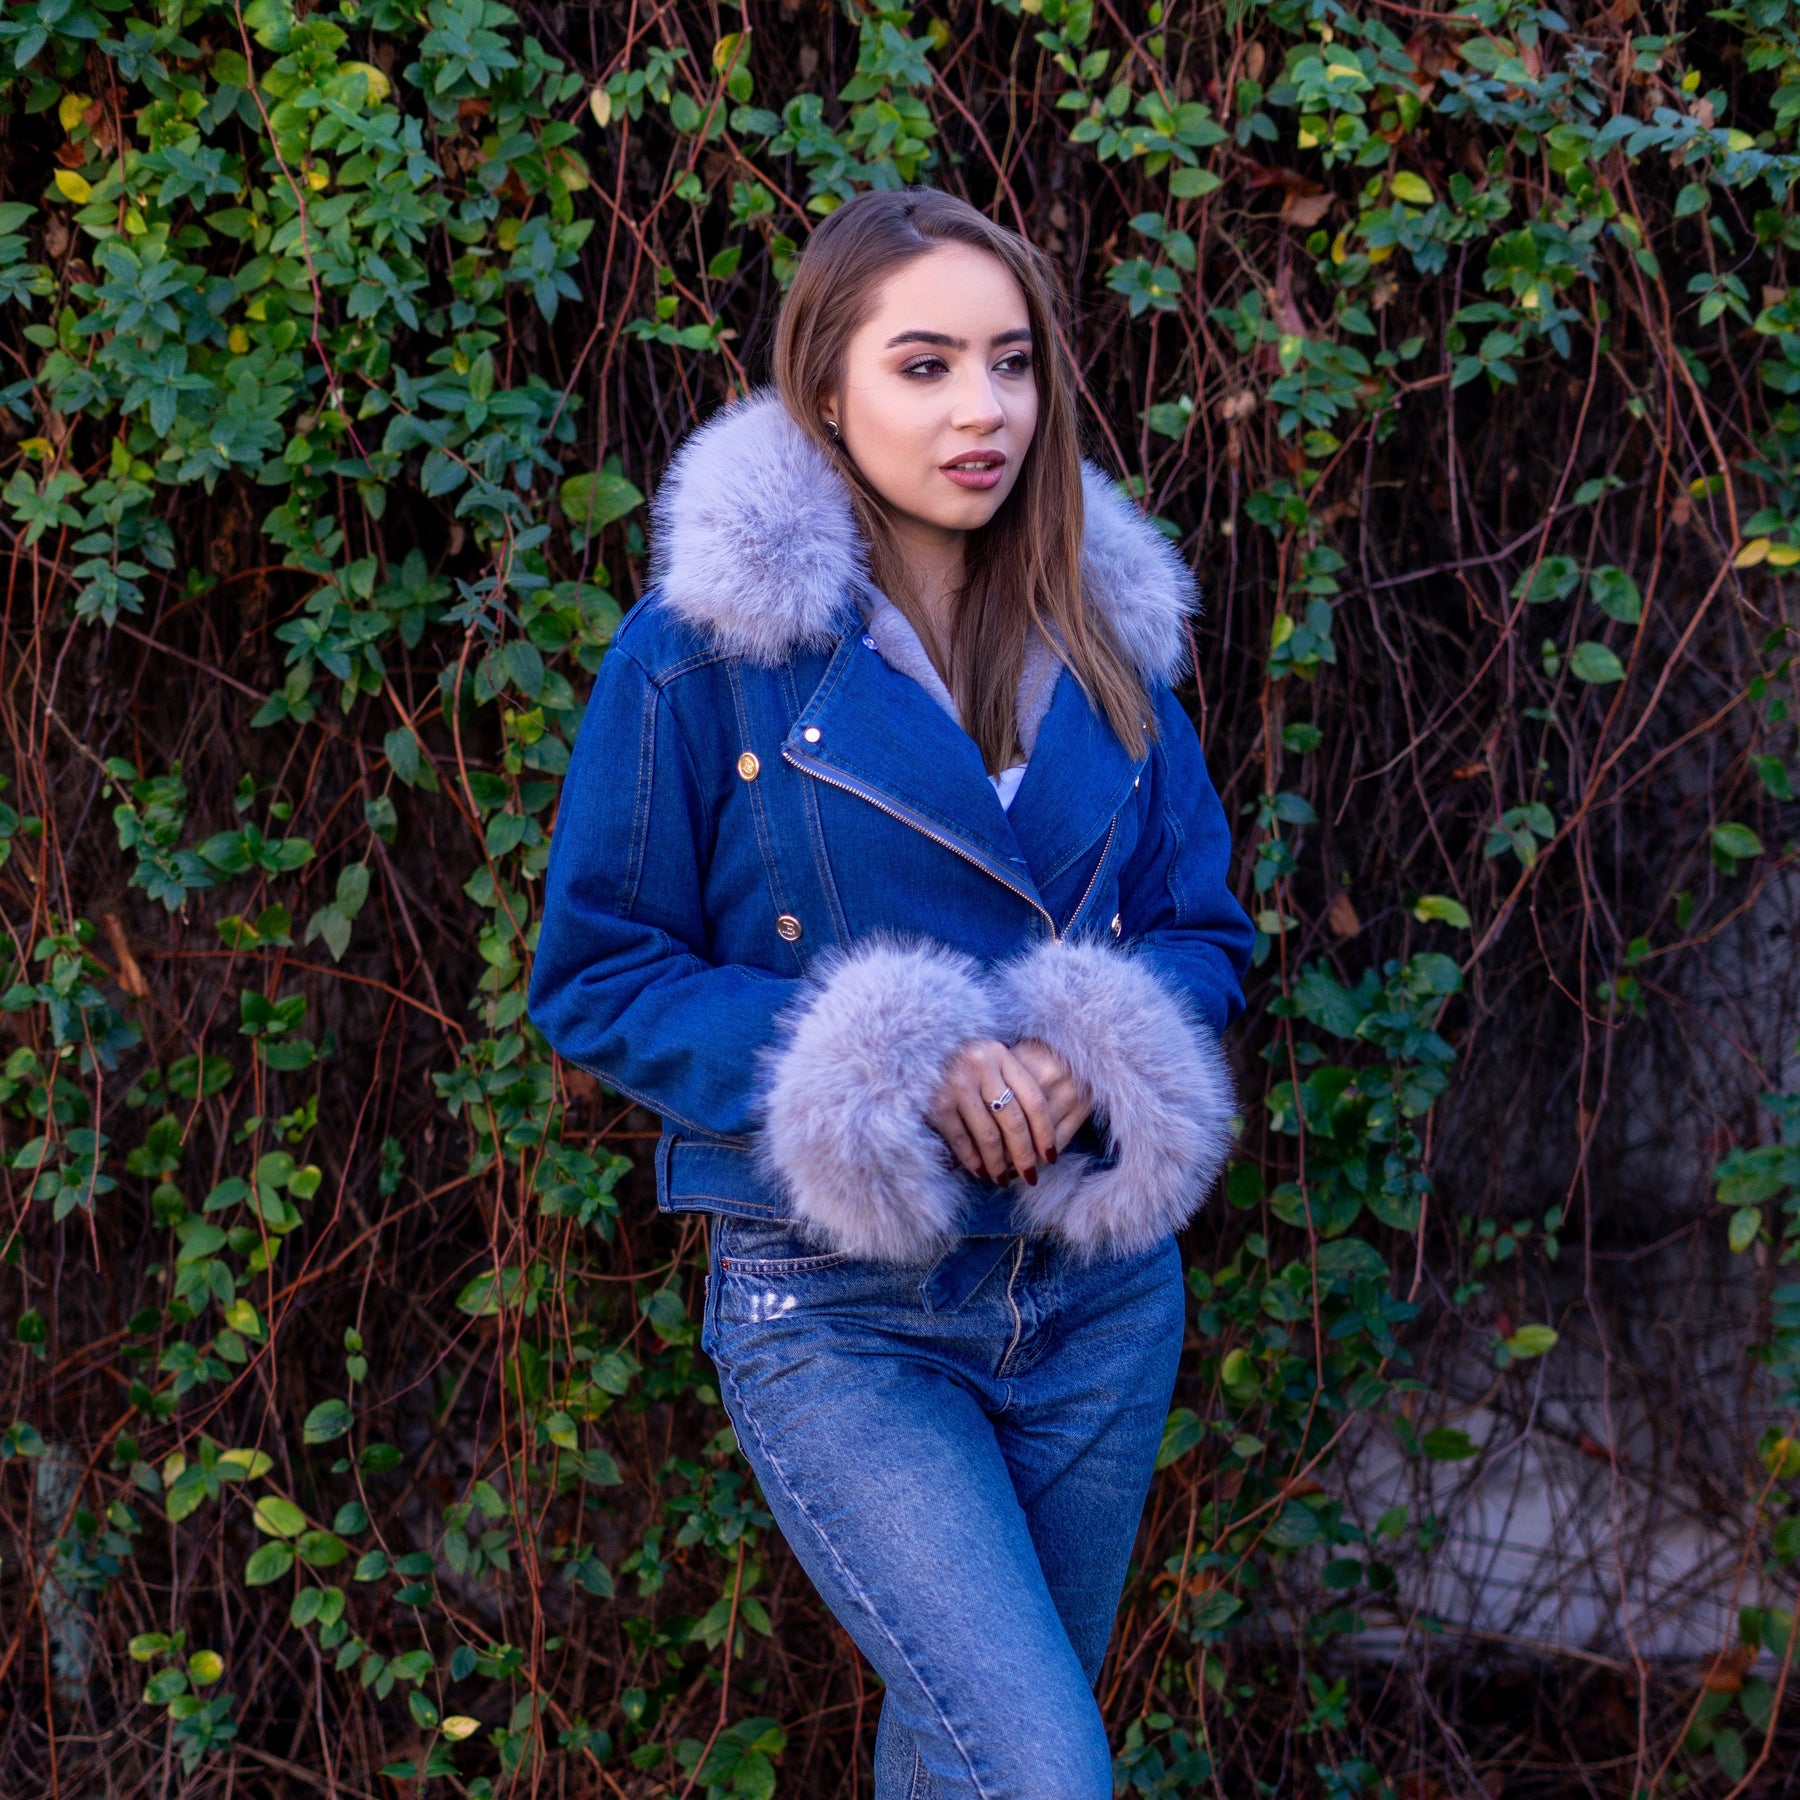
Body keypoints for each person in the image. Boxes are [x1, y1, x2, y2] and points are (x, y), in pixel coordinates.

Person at [529, 187, 1254, 1799]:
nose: (981, 408)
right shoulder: (699, 657)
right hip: (843, 1306)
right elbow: (598, 971)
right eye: (924, 365)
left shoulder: (1111, 643)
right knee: (1040, 1774)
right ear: (826, 388)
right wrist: (884, 1065)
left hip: (1096, 1300)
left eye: (1011, 363)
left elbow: (1203, 933)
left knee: (961, 1763)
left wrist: (1093, 1051)